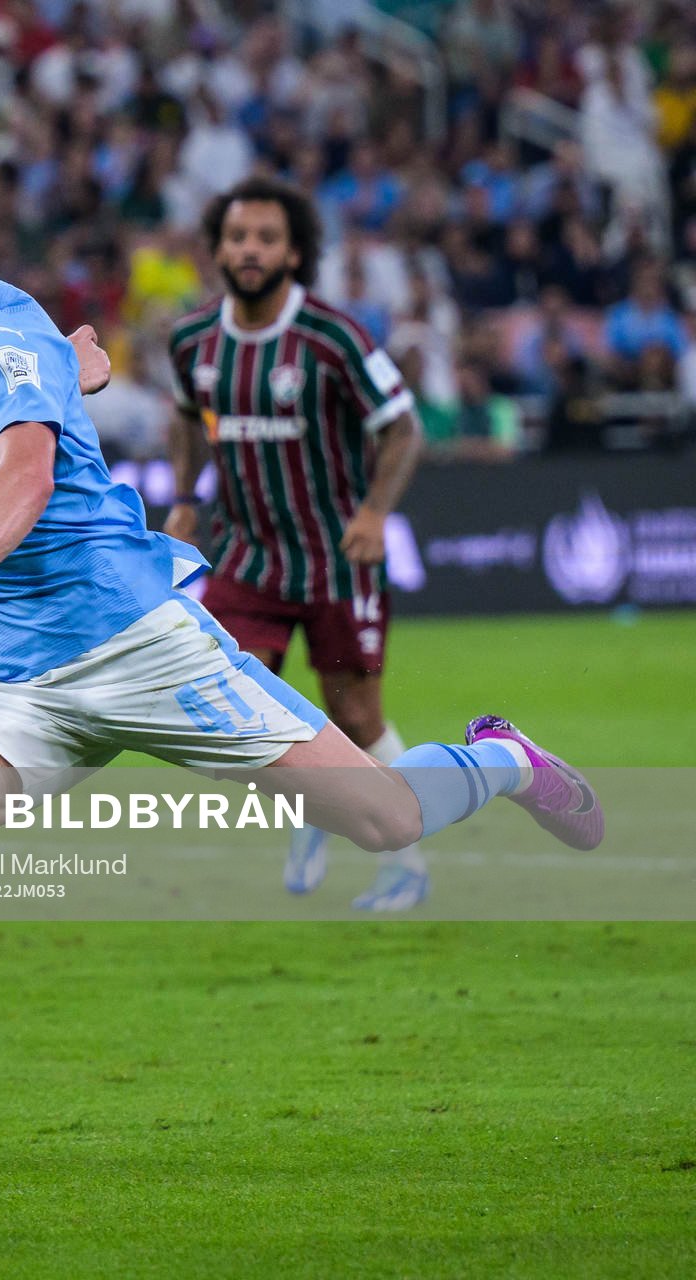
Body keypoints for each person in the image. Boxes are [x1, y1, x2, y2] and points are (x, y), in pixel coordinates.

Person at [0, 156, 601, 1119]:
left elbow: (26, 476)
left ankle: (506, 760)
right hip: (25, 689)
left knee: (385, 820)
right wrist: (73, 370)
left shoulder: (9, 344)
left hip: (140, 650)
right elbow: (38, 382)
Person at [162, 177, 430, 912]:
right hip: (246, 559)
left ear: (294, 252)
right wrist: (183, 498)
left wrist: (374, 513)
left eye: (267, 238)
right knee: (227, 717)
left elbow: (403, 427)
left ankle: (405, 865)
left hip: (339, 560)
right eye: (237, 237)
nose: (250, 250)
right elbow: (185, 417)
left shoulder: (332, 337)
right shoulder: (192, 341)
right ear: (218, 249)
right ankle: (317, 805)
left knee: (358, 719)